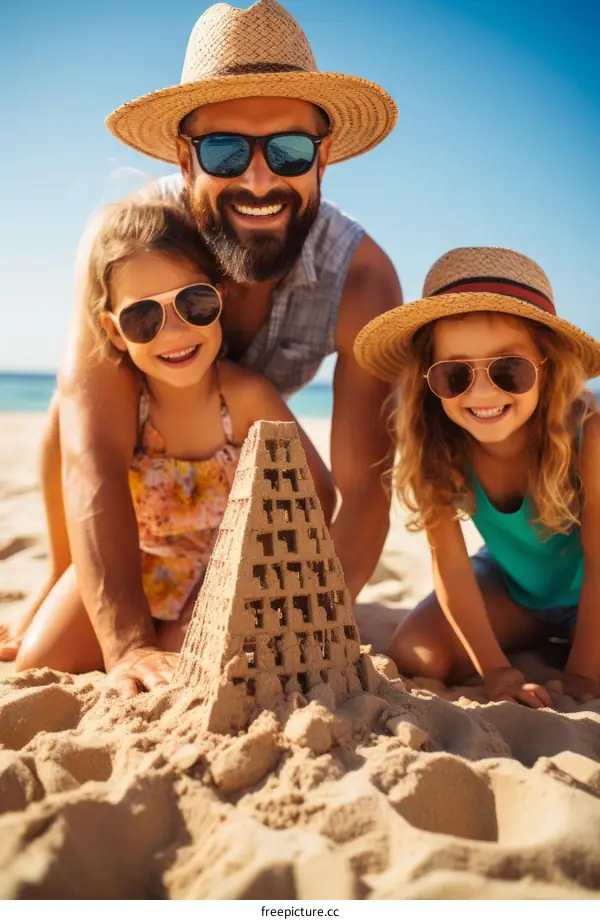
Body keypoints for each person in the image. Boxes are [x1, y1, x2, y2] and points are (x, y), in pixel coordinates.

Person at [0, 0, 402, 691]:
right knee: (72, 410)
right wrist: (127, 645)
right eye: (223, 149)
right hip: (145, 467)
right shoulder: (133, 246)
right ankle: (64, 581)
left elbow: (362, 490)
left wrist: (301, 622)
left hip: (243, 480)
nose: (258, 179)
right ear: (185, 157)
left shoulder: (361, 277)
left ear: (324, 154)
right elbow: (91, 450)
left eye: (289, 151)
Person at [14, 197, 333, 684]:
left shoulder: (244, 399)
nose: (175, 332)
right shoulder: (124, 407)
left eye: (194, 303)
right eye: (145, 319)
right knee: (39, 662)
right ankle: (60, 581)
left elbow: (319, 493)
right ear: (115, 333)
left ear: (220, 297)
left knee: (186, 663)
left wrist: (240, 583)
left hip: (219, 574)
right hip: (134, 564)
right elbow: (77, 477)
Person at [354, 246, 600, 707]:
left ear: (547, 365)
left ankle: (567, 649)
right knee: (417, 653)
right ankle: (535, 644)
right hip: (516, 592)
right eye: (455, 374)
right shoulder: (437, 447)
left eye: (509, 369)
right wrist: (497, 672)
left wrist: (584, 674)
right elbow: (450, 567)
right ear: (430, 380)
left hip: (593, 591)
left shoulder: (589, 437)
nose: (483, 391)